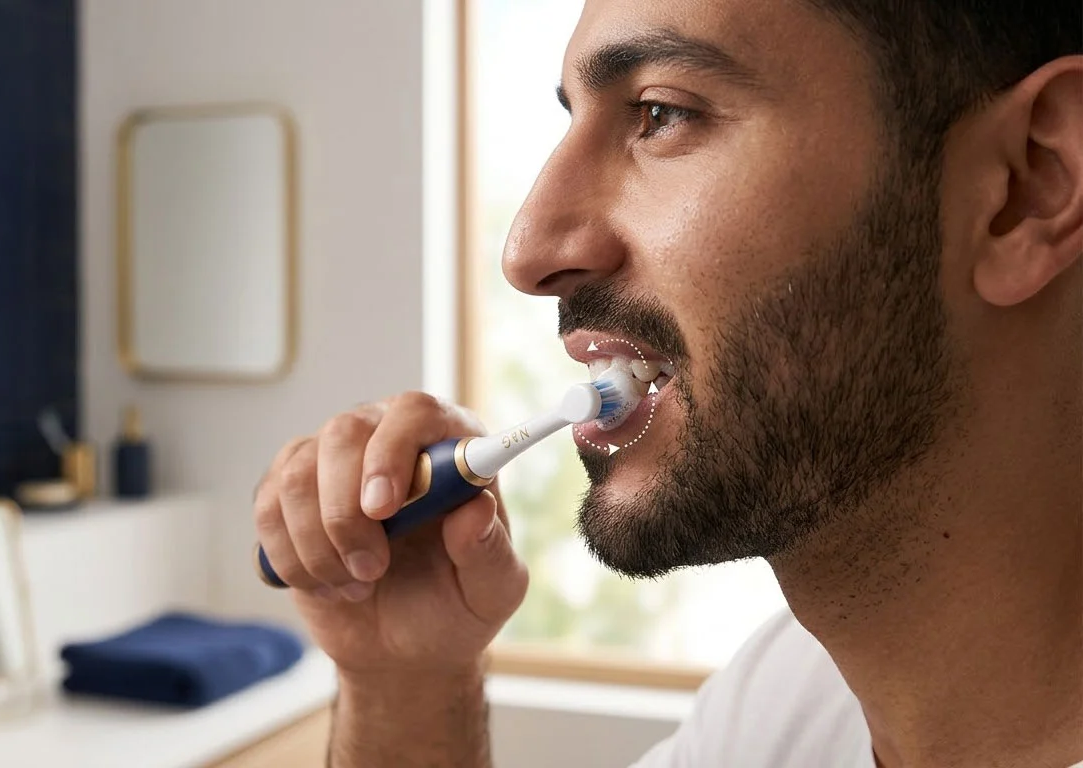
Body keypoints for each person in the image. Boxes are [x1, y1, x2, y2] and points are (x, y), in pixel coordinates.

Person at [252, 0, 1083, 765]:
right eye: (576, 117)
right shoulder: (781, 702)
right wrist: (408, 684)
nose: (529, 251)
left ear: (1025, 186)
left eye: (661, 114)